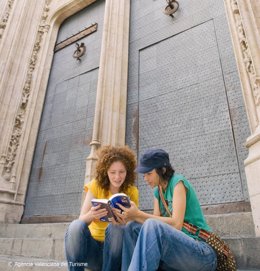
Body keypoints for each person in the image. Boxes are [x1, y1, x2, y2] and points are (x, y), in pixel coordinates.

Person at [118, 148, 217, 271]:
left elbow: (176, 225)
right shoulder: (157, 191)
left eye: (149, 174)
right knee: (132, 227)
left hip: (201, 254)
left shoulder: (178, 183)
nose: (145, 179)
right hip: (177, 257)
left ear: (163, 170)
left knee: (151, 225)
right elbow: (152, 229)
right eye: (144, 175)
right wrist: (131, 217)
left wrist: (137, 214)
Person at [64, 145, 139, 271]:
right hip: (92, 251)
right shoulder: (96, 185)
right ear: (106, 171)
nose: (117, 177)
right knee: (75, 226)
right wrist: (91, 216)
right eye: (112, 172)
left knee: (117, 227)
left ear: (128, 171)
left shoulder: (132, 191)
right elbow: (81, 219)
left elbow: (132, 228)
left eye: (122, 172)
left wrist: (124, 221)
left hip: (115, 254)